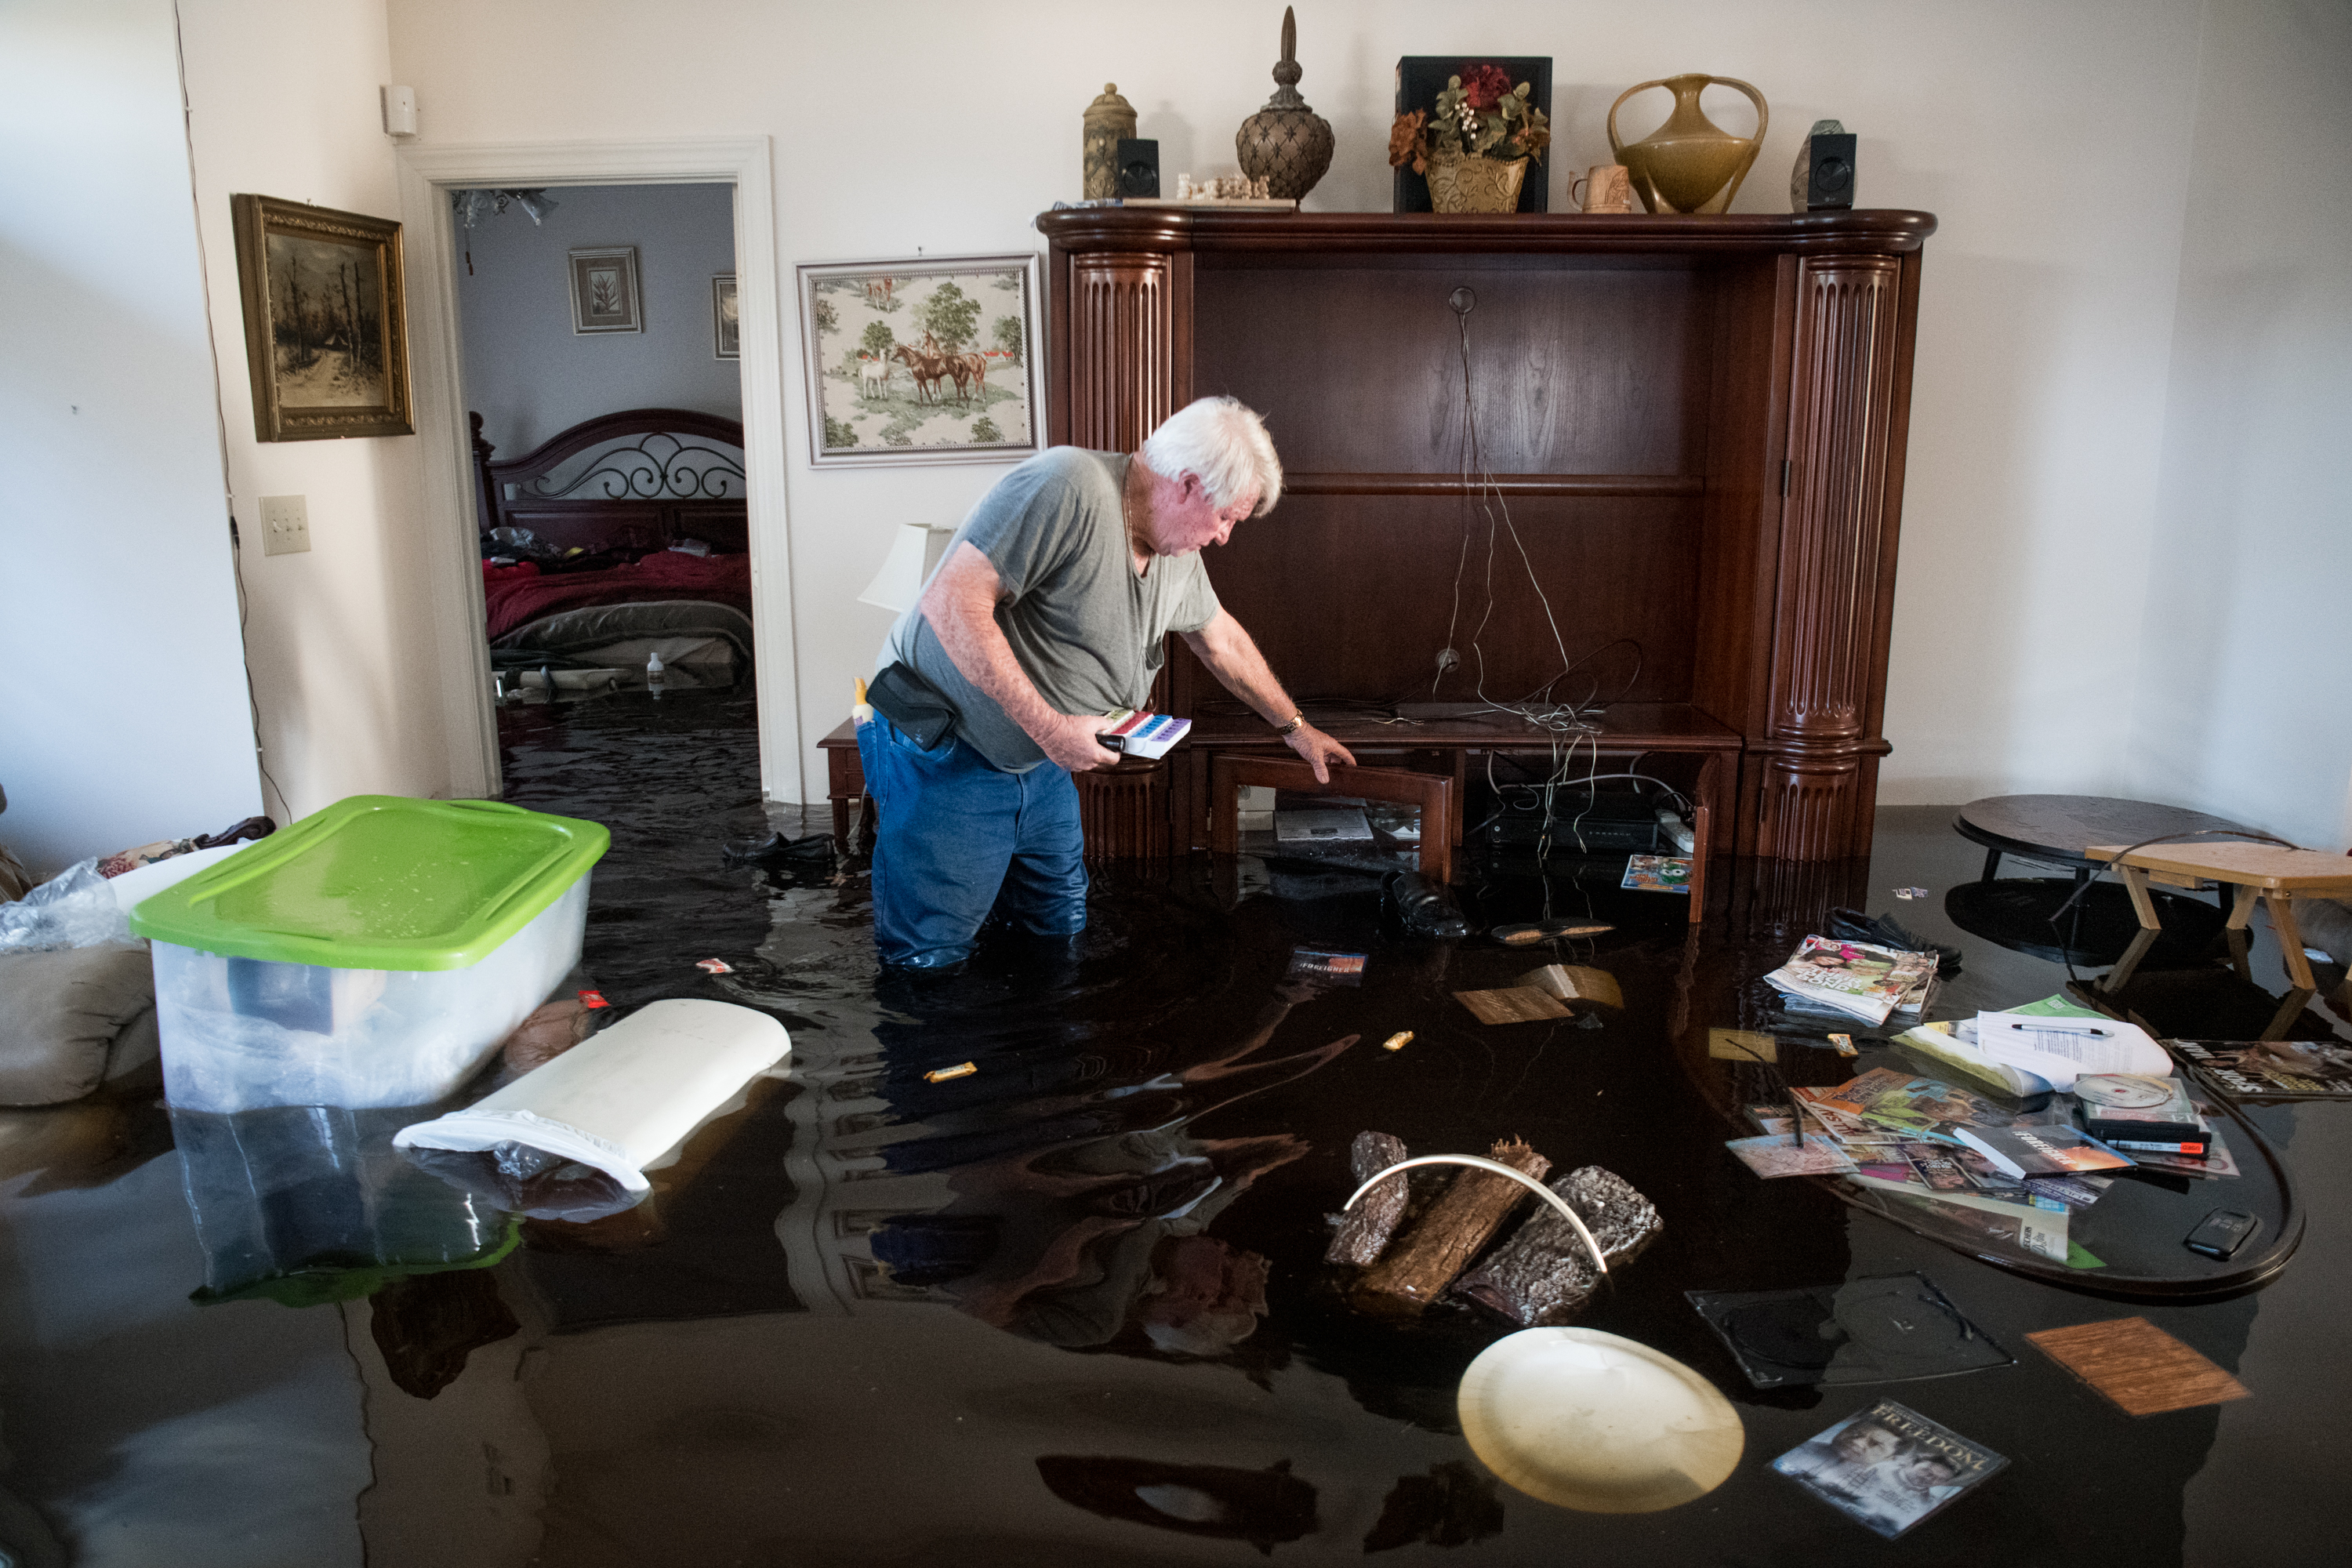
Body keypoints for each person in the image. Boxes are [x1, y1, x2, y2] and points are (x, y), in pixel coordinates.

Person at [858, 397, 1353, 968]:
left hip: (1041, 759)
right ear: (1187, 485)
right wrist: (1049, 728)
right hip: (947, 750)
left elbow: (1220, 640)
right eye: (1226, 518)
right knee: (930, 956)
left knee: (1057, 926)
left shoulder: (1174, 545)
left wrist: (1296, 728)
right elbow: (951, 603)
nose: (1223, 537)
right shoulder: (1067, 484)